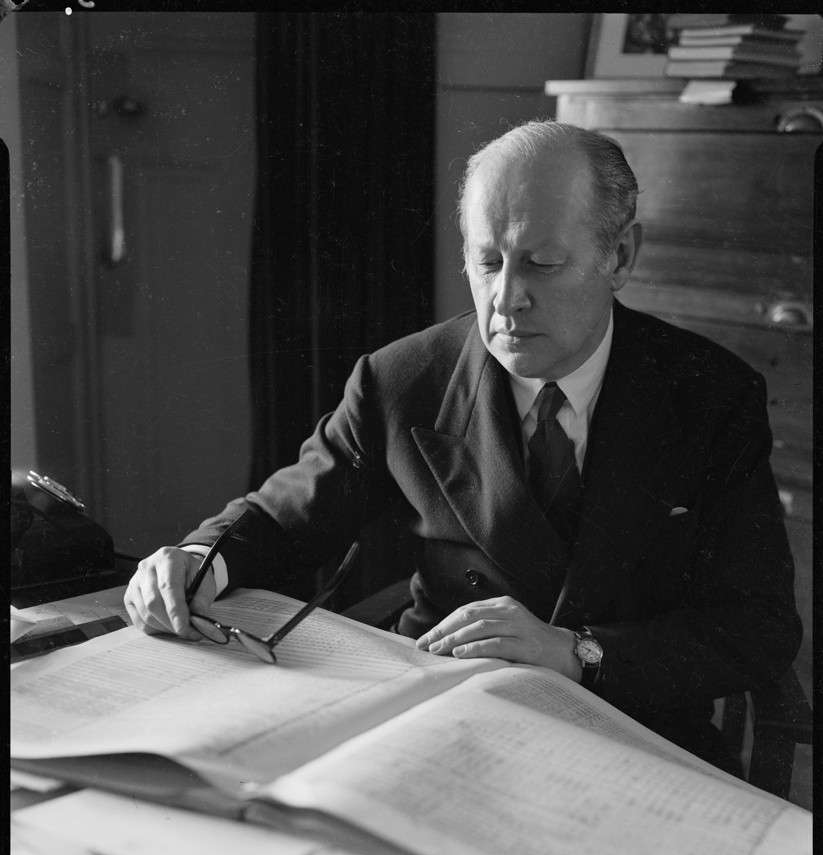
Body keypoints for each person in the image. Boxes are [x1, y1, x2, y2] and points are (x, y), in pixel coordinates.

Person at [124, 120, 801, 776]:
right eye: (486, 262)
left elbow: (758, 626)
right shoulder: (401, 379)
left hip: (633, 732)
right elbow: (282, 520)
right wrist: (194, 561)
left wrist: (575, 652)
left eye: (540, 264)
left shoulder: (708, 396)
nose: (505, 300)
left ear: (619, 256)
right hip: (444, 719)